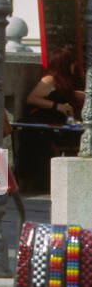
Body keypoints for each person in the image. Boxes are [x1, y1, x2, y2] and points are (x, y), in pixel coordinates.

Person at [18, 47, 84, 189]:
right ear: (65, 64)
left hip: (59, 123)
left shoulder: (63, 81)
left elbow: (68, 94)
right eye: (72, 63)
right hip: (43, 125)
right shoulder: (49, 80)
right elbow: (32, 98)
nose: (74, 66)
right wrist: (57, 106)